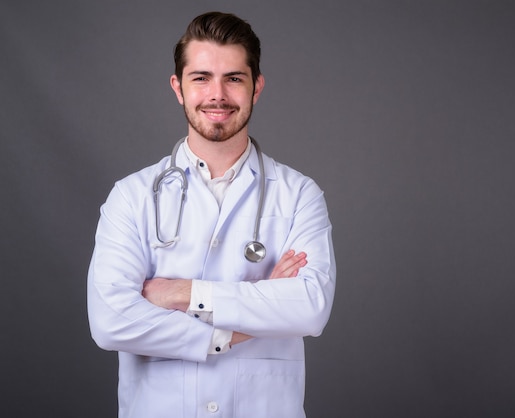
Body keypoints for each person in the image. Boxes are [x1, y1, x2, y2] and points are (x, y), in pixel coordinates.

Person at [87, 11, 336, 418]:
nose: (217, 95)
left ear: (257, 87)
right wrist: (242, 325)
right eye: (201, 78)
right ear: (178, 88)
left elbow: (309, 307)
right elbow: (111, 321)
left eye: (234, 78)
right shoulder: (131, 197)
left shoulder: (298, 195)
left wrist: (184, 293)